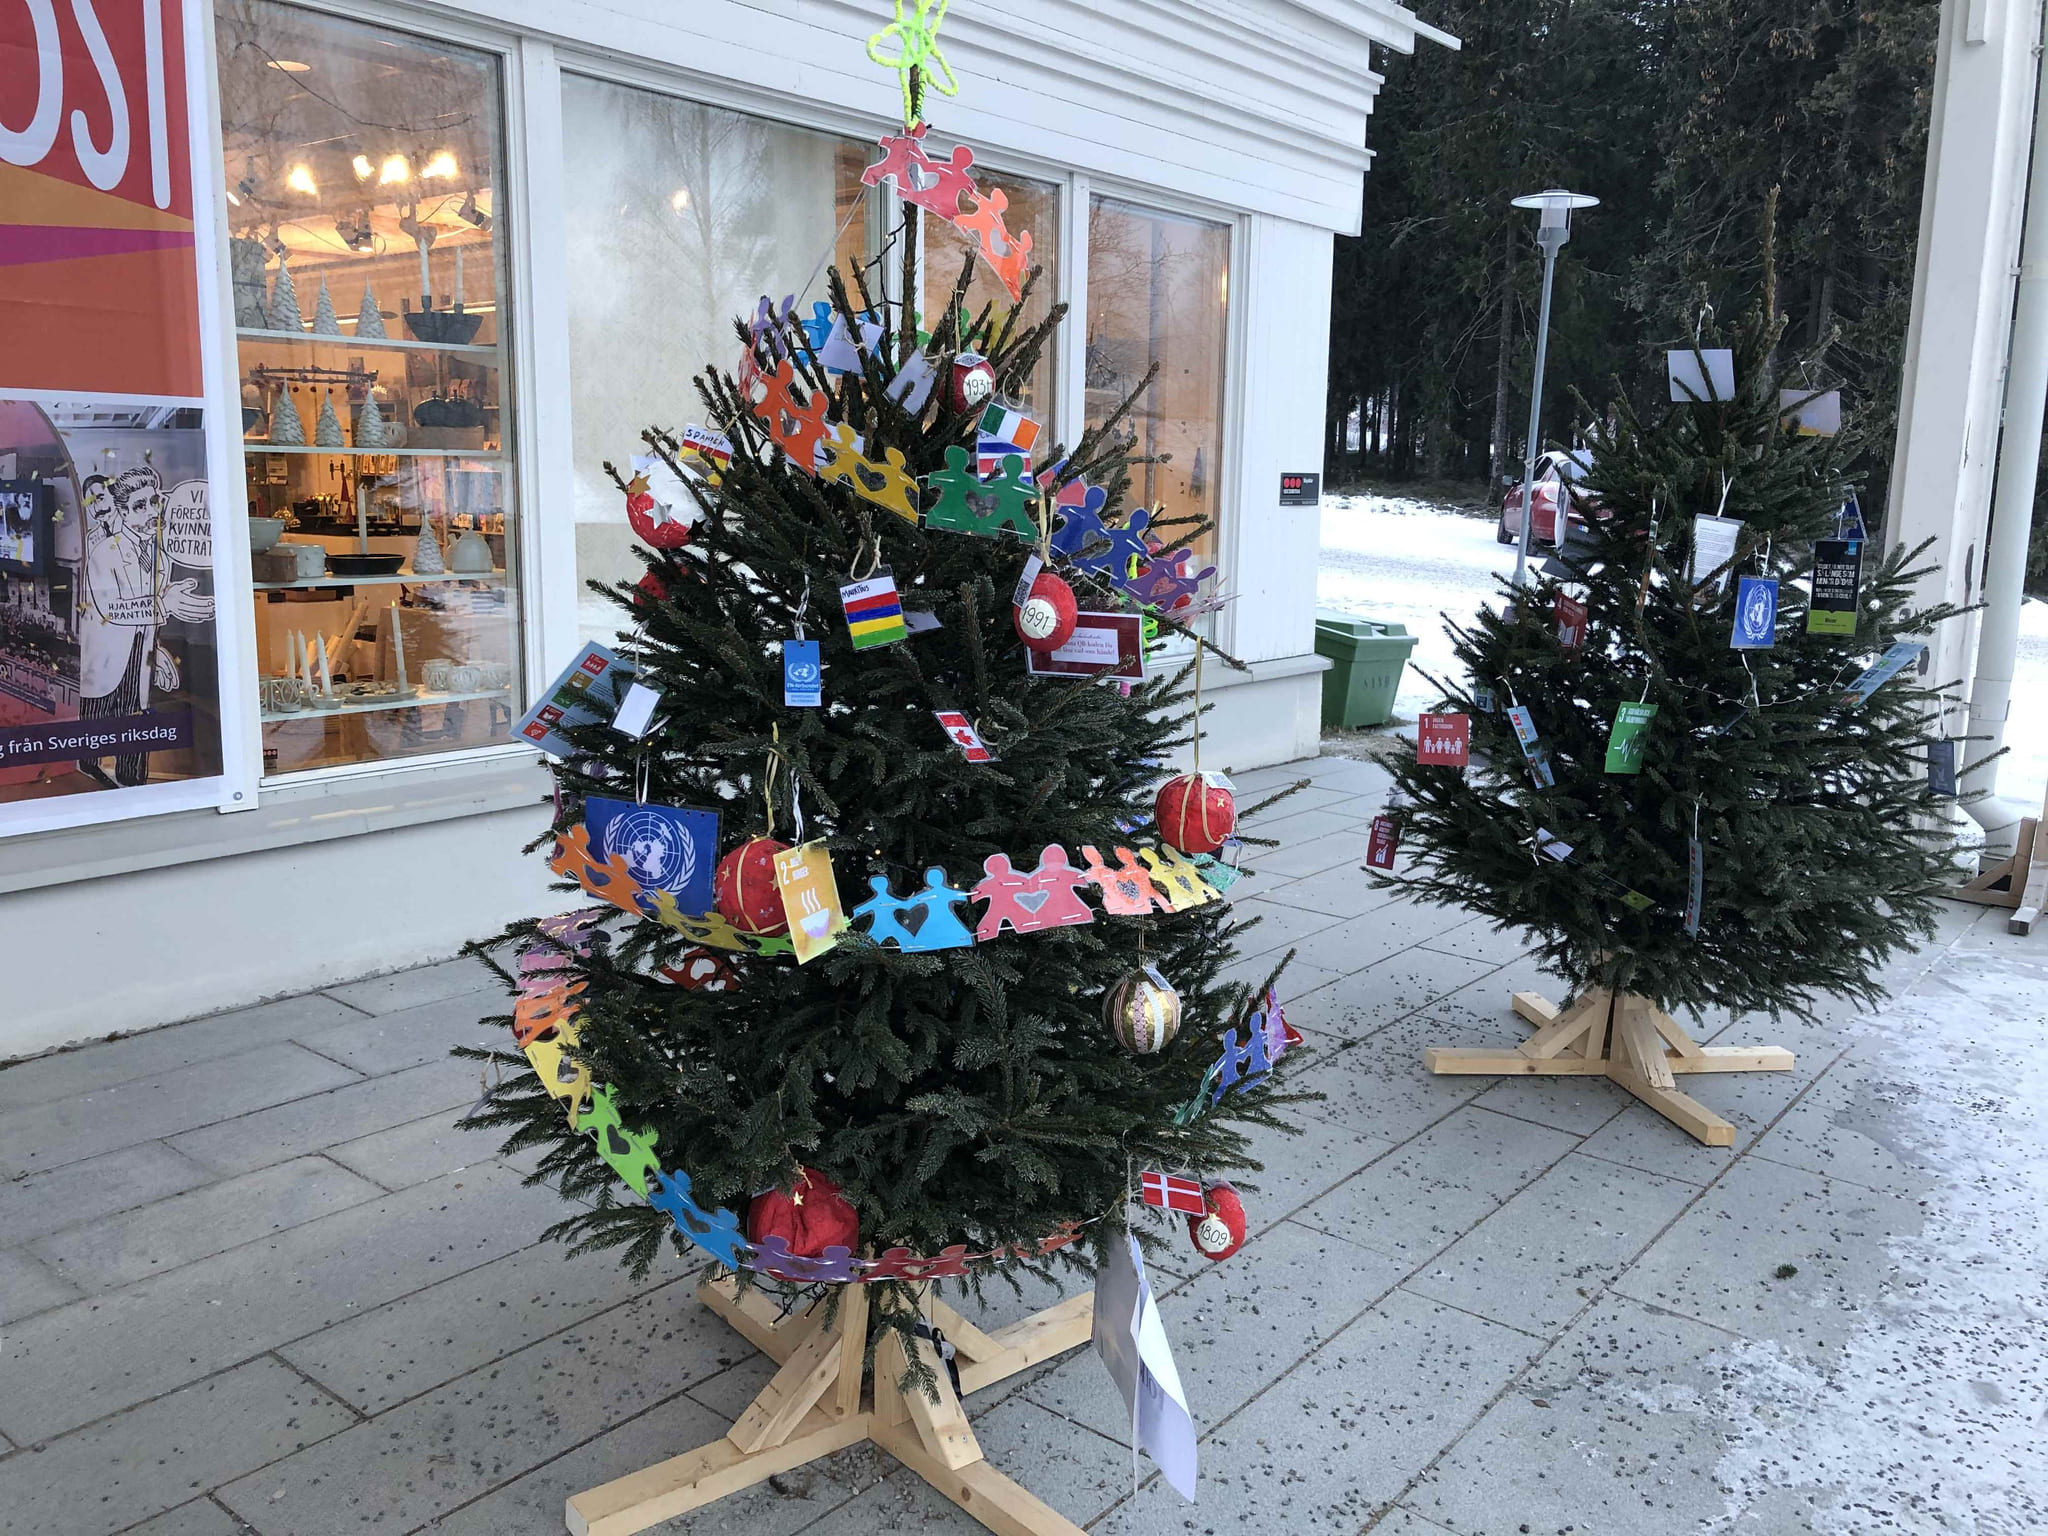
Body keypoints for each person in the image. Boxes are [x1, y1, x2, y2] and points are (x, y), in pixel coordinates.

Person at [75, 465, 209, 787]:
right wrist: (164, 605)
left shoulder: (161, 556)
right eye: (140, 506)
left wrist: (155, 651)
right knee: (97, 722)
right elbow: (112, 609)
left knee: (136, 719)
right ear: (123, 512)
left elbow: (148, 613)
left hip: (140, 654)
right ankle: (90, 772)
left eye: (154, 502)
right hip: (106, 656)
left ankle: (132, 781)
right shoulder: (103, 552)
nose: (151, 512)